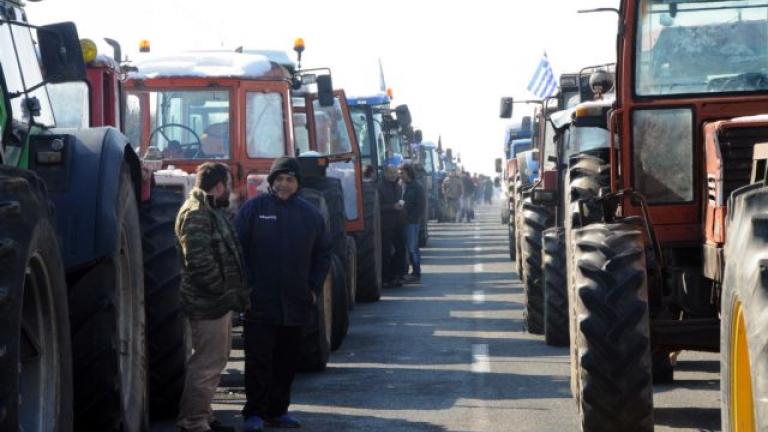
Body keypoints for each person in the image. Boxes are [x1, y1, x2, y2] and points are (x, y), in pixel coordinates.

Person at [235, 157, 332, 432]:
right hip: (259, 302)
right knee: (258, 361)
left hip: (296, 302)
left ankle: (278, 411)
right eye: (279, 179)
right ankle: (253, 413)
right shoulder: (253, 210)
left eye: (289, 179)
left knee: (287, 361)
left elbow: (323, 253)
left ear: (297, 183)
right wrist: (246, 287)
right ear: (271, 181)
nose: (284, 184)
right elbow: (237, 250)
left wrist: (313, 288)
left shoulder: (310, 214)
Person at [175, 162, 249, 432]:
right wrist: (222, 291)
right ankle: (193, 421)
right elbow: (199, 262)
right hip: (208, 304)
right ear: (218, 186)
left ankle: (203, 415)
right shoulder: (197, 214)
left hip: (217, 303)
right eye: (228, 185)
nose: (230, 190)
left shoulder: (209, 210)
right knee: (207, 362)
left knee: (215, 360)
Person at [379, 164, 407, 288]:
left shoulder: (399, 186)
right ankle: (386, 277)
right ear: (385, 173)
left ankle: (398, 276)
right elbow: (377, 207)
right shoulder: (379, 187)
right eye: (390, 173)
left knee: (400, 250)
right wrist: (392, 207)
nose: (393, 175)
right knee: (386, 252)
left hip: (399, 224)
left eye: (395, 173)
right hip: (386, 224)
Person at [400, 163, 426, 283]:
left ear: (408, 173)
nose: (401, 176)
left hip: (412, 222)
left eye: (402, 173)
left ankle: (416, 273)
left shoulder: (416, 187)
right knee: (409, 247)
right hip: (406, 221)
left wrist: (411, 218)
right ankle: (412, 272)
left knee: (412, 247)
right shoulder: (406, 186)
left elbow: (420, 206)